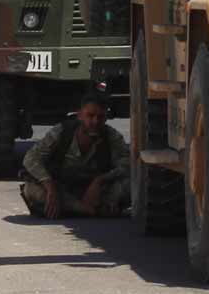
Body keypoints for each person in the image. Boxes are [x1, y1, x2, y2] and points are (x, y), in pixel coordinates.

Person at [20, 90, 130, 219]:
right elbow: (31, 157)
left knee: (132, 185)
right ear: (80, 115)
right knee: (31, 190)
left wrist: (99, 181)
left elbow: (126, 165)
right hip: (62, 190)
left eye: (100, 117)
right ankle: (86, 209)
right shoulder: (62, 132)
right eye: (90, 115)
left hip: (95, 192)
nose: (95, 122)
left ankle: (84, 208)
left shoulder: (112, 137)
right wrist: (49, 186)